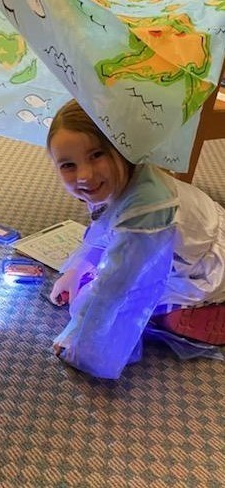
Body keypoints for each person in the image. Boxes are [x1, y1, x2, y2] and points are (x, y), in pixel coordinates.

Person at [46, 99, 225, 379]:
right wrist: (76, 268)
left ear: (122, 148)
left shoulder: (147, 209)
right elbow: (105, 230)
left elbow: (118, 285)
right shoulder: (119, 180)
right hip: (176, 245)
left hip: (203, 264)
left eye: (96, 155)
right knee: (92, 281)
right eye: (68, 165)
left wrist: (80, 338)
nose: (85, 176)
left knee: (149, 314)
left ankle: (208, 311)